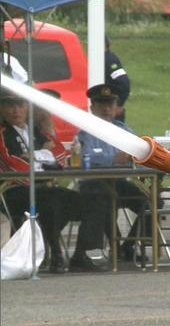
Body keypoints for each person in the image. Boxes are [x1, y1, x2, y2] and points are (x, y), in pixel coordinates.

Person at [0, 89, 106, 273]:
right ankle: (55, 253)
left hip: (43, 188)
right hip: (14, 191)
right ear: (1, 108)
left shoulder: (37, 131)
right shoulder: (3, 133)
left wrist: (32, 156)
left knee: (95, 202)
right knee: (52, 201)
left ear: (27, 107)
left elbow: (60, 157)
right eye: (10, 105)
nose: (15, 110)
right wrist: (42, 155)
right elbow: (14, 163)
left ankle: (80, 254)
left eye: (20, 105)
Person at [77, 84, 149, 263]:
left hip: (118, 182)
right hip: (94, 182)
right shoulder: (86, 131)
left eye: (110, 104)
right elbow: (86, 156)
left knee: (151, 202)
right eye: (101, 104)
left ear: (116, 107)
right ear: (92, 107)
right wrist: (114, 159)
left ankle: (128, 246)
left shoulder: (123, 129)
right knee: (105, 198)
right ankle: (106, 249)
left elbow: (140, 151)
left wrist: (136, 157)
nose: (106, 108)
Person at [105, 36, 130, 122]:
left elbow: (124, 82)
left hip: (112, 109)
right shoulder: (99, 59)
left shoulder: (110, 60)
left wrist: (119, 104)